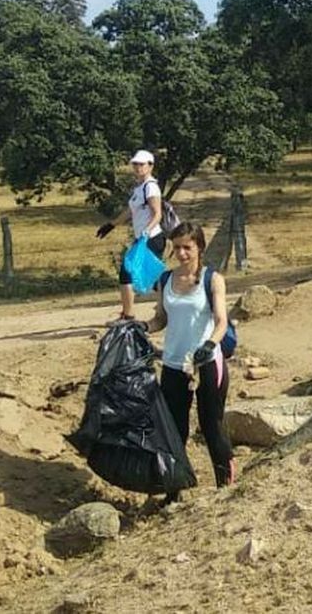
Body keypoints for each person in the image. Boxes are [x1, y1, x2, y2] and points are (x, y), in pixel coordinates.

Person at [145, 222, 234, 496]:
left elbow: (221, 321)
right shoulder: (165, 280)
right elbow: (161, 319)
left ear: (199, 248)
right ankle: (174, 491)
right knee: (174, 430)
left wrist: (209, 344)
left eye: (187, 247)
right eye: (177, 247)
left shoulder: (212, 279)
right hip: (173, 364)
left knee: (211, 426)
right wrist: (141, 327)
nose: (181, 253)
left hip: (206, 364)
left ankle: (226, 489)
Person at [96, 149, 165, 319]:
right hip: (144, 238)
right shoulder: (140, 189)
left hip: (151, 238)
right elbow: (130, 211)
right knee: (151, 277)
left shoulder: (151, 187)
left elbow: (157, 214)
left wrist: (146, 232)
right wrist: (111, 225)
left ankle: (128, 315)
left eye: (141, 164)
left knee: (127, 272)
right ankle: (174, 301)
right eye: (135, 164)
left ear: (150, 166)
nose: (137, 167)